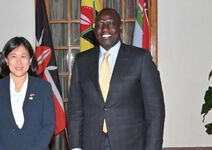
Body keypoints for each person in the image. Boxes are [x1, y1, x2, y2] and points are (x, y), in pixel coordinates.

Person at [67, 8, 165, 150]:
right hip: (91, 144)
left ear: (120, 27)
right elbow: (75, 110)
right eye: (99, 24)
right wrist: (75, 147)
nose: (104, 28)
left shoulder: (140, 58)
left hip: (131, 144)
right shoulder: (82, 61)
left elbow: (155, 112)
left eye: (110, 23)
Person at [0, 36, 56, 150]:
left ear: (30, 59)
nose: (18, 62)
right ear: (6, 60)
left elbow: (49, 125)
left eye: (23, 56)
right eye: (13, 56)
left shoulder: (43, 88)